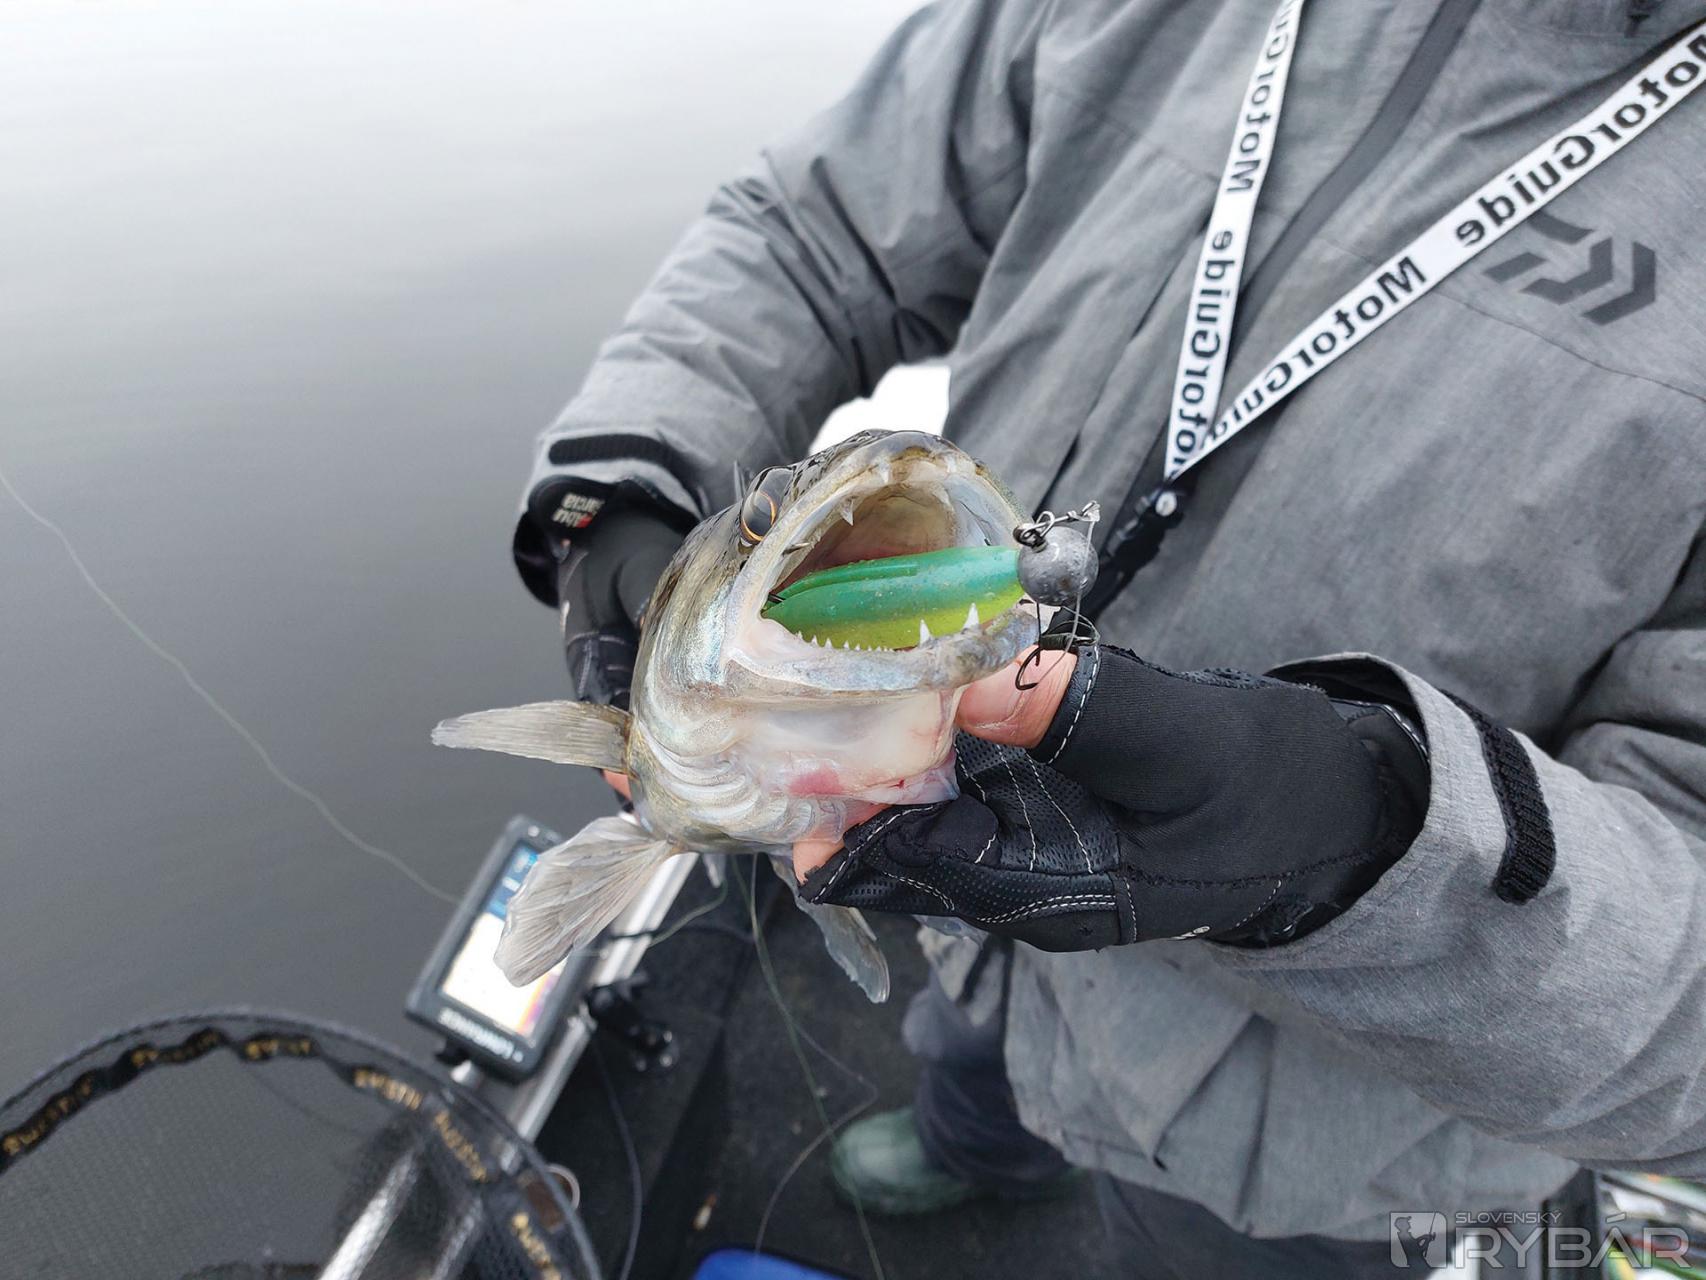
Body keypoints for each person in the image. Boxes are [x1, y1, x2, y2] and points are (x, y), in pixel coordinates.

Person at [509, 1, 1706, 1274]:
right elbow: (816, 229)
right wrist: (621, 492)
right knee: (966, 1046)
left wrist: (1367, 832)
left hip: (1309, 1143)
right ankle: (979, 1141)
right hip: (965, 915)